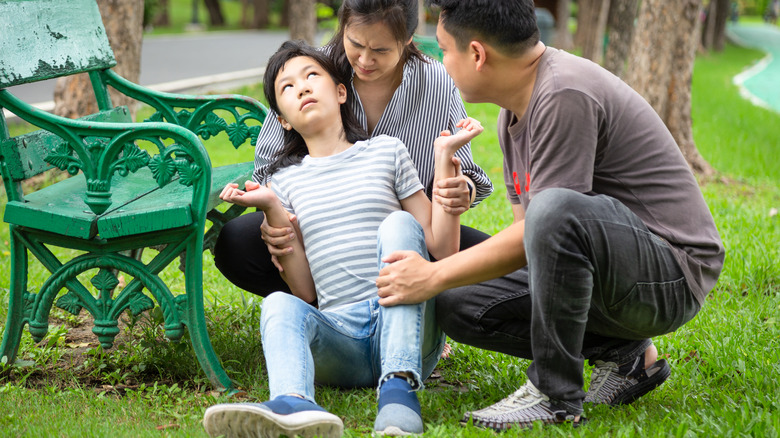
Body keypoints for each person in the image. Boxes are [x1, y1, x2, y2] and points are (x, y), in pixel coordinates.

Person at [375, 0, 725, 431]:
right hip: (614, 271)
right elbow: (531, 238)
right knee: (458, 302)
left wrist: (431, 275)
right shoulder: (513, 114)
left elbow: (550, 219)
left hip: (671, 274)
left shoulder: (563, 93)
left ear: (478, 54)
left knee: (551, 208)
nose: (441, 62)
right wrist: (442, 280)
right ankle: (622, 354)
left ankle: (553, 394)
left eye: (445, 49)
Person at [203, 40, 484, 437]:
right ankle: (292, 403)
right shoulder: (283, 183)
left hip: (407, 330)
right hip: (343, 342)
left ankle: (399, 391)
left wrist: (444, 162)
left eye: (311, 76)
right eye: (287, 87)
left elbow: (442, 249)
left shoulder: (387, 152)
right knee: (278, 302)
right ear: (282, 119)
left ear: (340, 92)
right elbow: (303, 291)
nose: (300, 88)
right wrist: (270, 206)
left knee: (398, 225)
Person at [213, 0, 493, 301]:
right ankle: (334, 309)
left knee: (501, 270)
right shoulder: (308, 73)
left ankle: (417, 312)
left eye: (381, 50)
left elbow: (465, 173)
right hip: (320, 232)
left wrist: (461, 189)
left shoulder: (438, 82)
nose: (364, 59)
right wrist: (275, 220)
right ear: (343, 26)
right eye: (355, 43)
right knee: (237, 241)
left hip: (416, 234)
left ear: (409, 38)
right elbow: (269, 171)